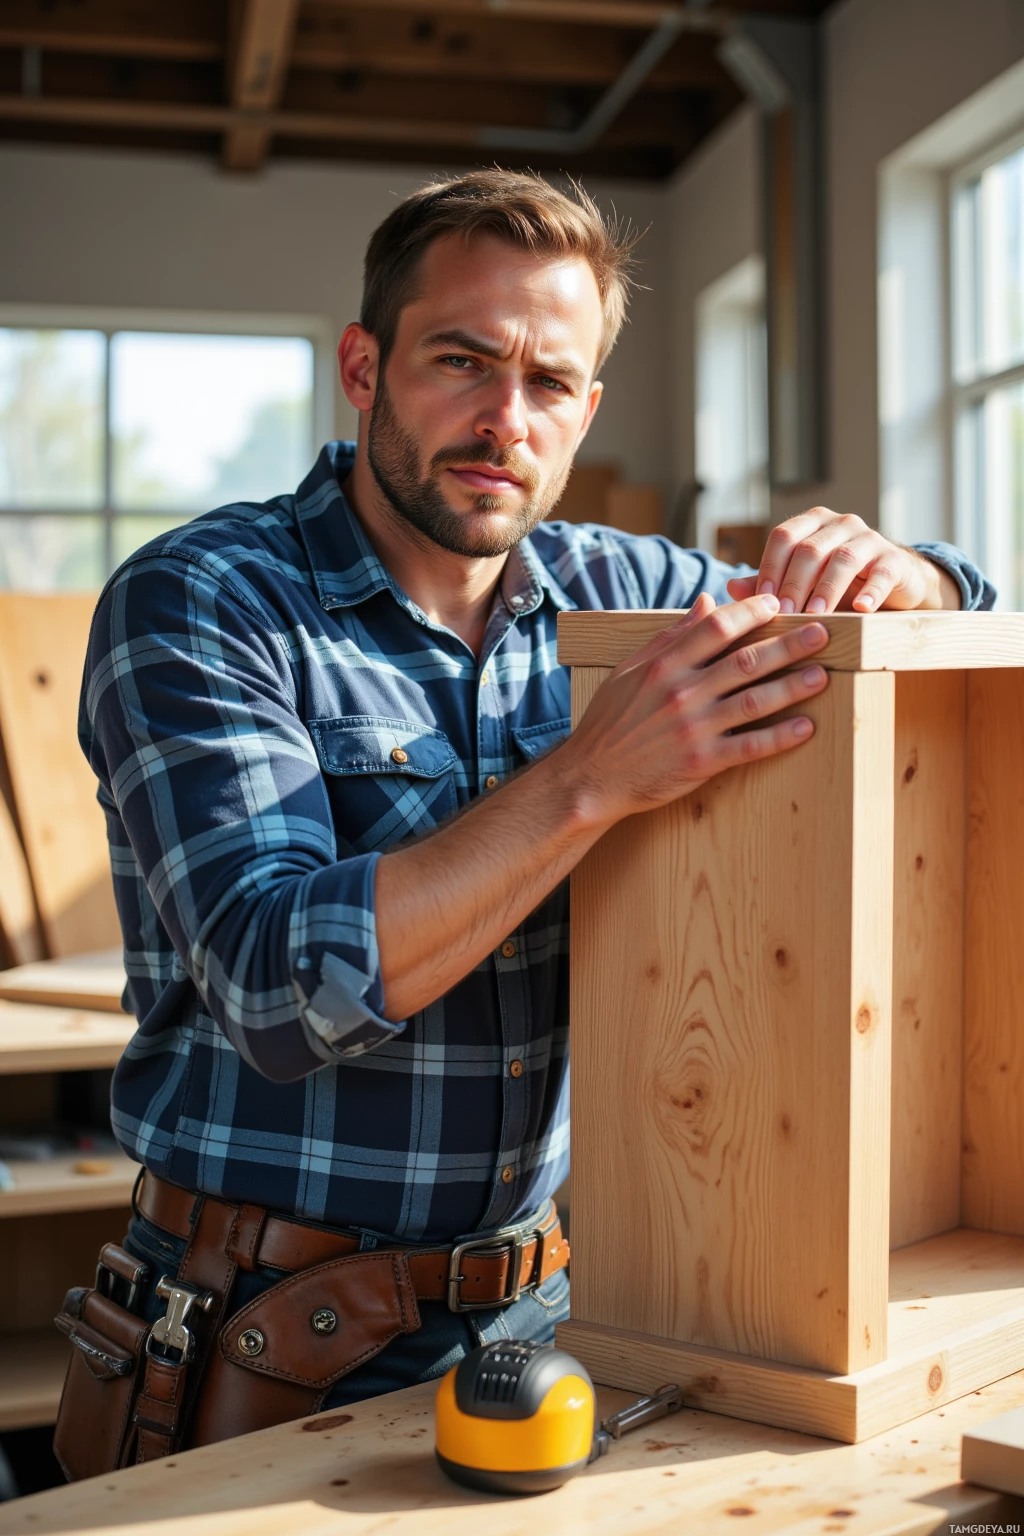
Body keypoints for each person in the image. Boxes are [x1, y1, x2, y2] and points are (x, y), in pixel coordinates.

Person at [74, 169, 992, 1463]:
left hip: (550, 1321)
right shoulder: (203, 600)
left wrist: (914, 573)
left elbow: (933, 615)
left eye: (551, 384)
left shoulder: (619, 587)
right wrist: (588, 778)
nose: (507, 419)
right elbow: (281, 989)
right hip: (262, 1331)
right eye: (463, 360)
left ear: (587, 409)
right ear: (364, 365)